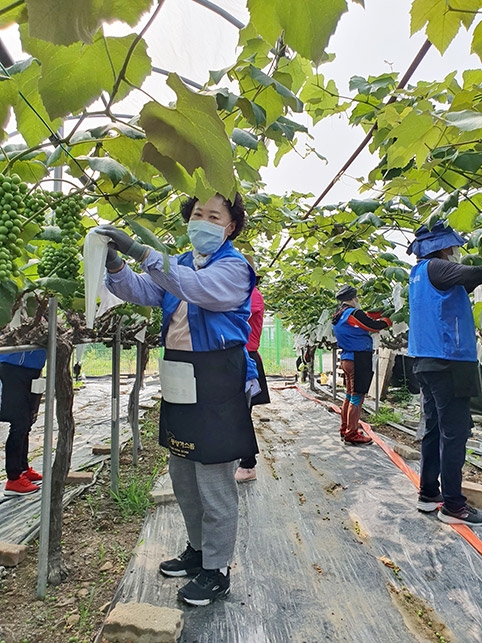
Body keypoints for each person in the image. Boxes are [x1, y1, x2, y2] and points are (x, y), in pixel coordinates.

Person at [96, 192, 259, 606]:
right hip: (181, 375)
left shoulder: (234, 269)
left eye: (213, 215)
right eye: (197, 213)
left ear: (230, 226)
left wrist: (142, 250)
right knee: (182, 471)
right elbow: (145, 289)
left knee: (214, 479)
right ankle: (198, 551)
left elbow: (199, 290)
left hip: (218, 379)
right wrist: (117, 265)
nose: (202, 221)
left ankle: (217, 570)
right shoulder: (179, 265)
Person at [407, 221, 482, 525]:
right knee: (455, 433)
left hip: (426, 362)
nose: (453, 251)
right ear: (440, 246)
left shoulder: (418, 274)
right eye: (450, 246)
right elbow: (473, 274)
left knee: (435, 429)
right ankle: (454, 505)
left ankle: (428, 494)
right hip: (449, 360)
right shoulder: (438, 267)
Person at [332, 285, 392, 445]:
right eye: (357, 297)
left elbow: (365, 318)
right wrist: (389, 319)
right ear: (353, 298)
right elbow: (372, 325)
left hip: (346, 358)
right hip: (358, 358)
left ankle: (344, 428)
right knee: (358, 397)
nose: (358, 300)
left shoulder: (339, 315)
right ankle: (352, 433)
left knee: (349, 395)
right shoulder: (353, 313)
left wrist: (376, 314)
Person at [235, 256, 270, 483]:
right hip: (233, 356)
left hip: (245, 357)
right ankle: (236, 457)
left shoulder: (252, 296)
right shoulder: (240, 295)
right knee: (233, 412)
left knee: (241, 414)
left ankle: (248, 465)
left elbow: (234, 315)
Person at [0, 349, 46, 495]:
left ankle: (22, 468)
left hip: (31, 368)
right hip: (14, 368)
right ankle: (13, 479)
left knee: (27, 421)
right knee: (19, 422)